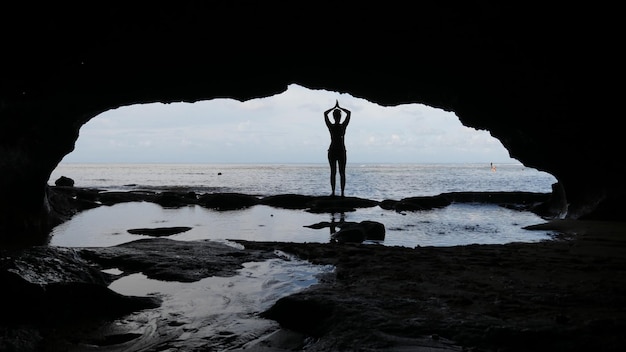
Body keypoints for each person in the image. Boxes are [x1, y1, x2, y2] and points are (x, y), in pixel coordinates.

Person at [324, 100, 351, 197]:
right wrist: (339, 108)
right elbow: (349, 113)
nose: (338, 117)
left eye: (337, 116)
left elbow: (325, 114)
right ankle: (339, 193)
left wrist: (334, 108)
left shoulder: (332, 126)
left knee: (335, 172)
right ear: (338, 117)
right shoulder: (342, 126)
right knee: (340, 172)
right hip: (339, 150)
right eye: (338, 116)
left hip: (335, 150)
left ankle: (335, 192)